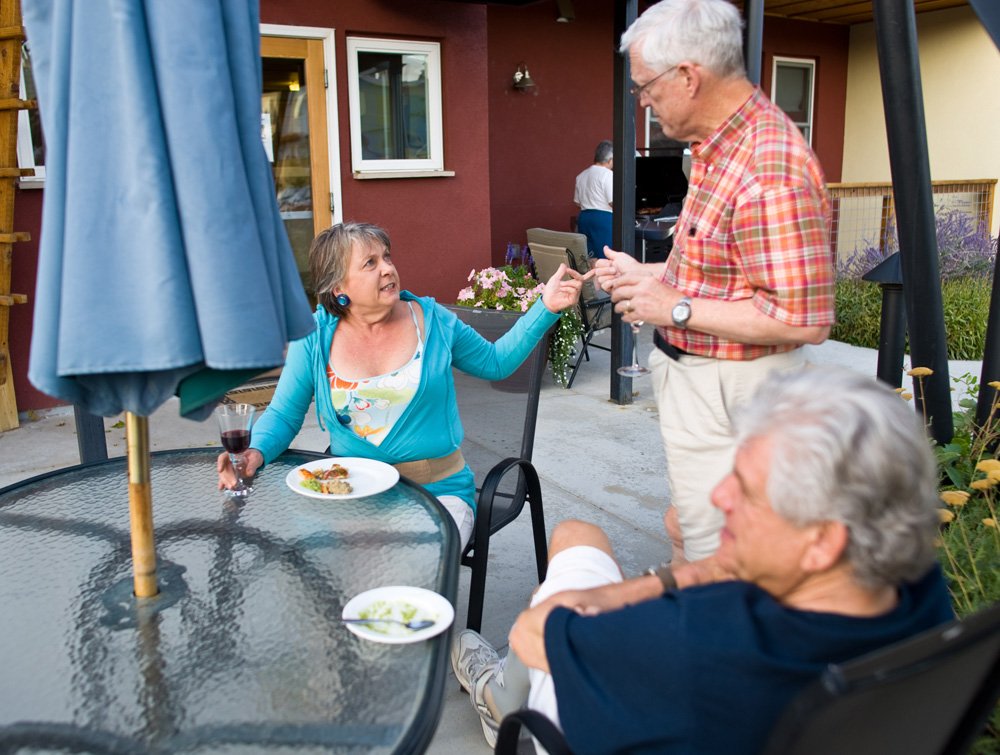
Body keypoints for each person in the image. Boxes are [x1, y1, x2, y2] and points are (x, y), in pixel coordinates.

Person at [451, 367, 955, 752]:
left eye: (750, 493)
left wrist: (669, 579)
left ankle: (496, 698)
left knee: (575, 540)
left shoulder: (696, 640)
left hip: (590, 724)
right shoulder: (920, 594)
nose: (720, 497)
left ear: (823, 542)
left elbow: (536, 633)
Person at [594, 0, 836, 564]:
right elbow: (721, 269)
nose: (643, 101)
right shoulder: (716, 146)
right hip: (708, 381)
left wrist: (672, 307)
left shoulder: (768, 168)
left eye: (646, 87)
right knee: (698, 537)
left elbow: (804, 318)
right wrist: (647, 275)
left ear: (688, 76)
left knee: (724, 554)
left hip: (739, 388)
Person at [217, 222, 589, 549]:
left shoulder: (433, 321)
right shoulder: (314, 337)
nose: (388, 269)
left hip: (438, 492)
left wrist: (545, 307)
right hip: (353, 491)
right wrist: (256, 452)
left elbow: (496, 362)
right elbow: (283, 414)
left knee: (411, 566)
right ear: (338, 287)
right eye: (370, 263)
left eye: (387, 257)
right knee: (311, 567)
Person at [574, 140, 614, 261]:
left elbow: (577, 202)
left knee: (590, 256)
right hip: (603, 218)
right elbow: (612, 201)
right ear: (610, 159)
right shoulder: (608, 175)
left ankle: (592, 280)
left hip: (584, 217)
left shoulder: (581, 175)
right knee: (605, 256)